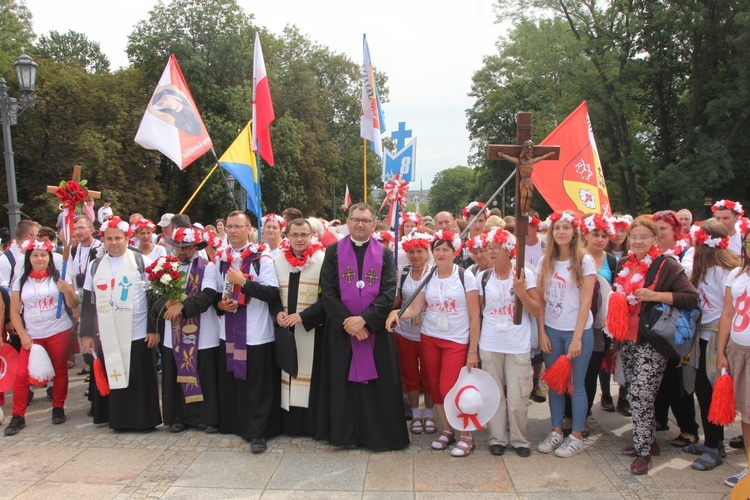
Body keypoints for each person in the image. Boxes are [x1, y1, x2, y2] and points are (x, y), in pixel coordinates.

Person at [607, 215, 698, 475]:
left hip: (652, 341)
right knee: (635, 392)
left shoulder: (666, 264)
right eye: (633, 236)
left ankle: (643, 453)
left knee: (642, 394)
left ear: (655, 239)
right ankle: (646, 442)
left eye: (644, 236)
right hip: (627, 338)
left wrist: (655, 295)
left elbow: (690, 297)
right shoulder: (625, 263)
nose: (637, 241)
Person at [318, 203, 409, 451]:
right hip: (342, 331)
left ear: (373, 224)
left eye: (366, 221)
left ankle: (376, 436)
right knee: (343, 385)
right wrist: (350, 322)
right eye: (356, 220)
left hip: (375, 331)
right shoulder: (334, 252)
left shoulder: (385, 254)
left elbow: (389, 292)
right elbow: (328, 292)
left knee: (376, 387)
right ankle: (345, 435)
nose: (360, 224)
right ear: (348, 222)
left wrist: (365, 320)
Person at [387, 229, 480, 456]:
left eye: (445, 250)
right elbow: (416, 308)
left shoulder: (464, 276)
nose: (440, 253)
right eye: (437, 249)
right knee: (435, 386)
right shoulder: (429, 276)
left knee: (449, 386)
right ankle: (447, 430)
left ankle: (466, 435)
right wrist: (397, 313)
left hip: (456, 340)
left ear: (454, 251)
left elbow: (475, 315)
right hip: (430, 338)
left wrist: (472, 350)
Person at [80, 217, 162, 431]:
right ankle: (118, 420)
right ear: (103, 241)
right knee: (116, 375)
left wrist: (153, 329)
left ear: (127, 238)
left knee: (138, 376)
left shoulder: (140, 261)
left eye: (118, 238)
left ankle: (142, 420)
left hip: (137, 330)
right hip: (108, 333)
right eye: (109, 239)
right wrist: (86, 334)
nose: (114, 242)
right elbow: (89, 302)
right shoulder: (95, 265)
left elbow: (153, 296)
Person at [214, 210, 280, 453]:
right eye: (229, 226)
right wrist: (220, 305)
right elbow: (213, 292)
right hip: (228, 331)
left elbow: (272, 293)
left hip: (256, 333)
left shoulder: (262, 257)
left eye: (238, 226)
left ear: (249, 228)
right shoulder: (220, 257)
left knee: (257, 385)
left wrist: (243, 282)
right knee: (235, 380)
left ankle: (259, 431)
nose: (232, 231)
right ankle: (237, 424)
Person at [536, 211, 595, 458]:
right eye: (557, 228)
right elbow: (539, 300)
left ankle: (577, 435)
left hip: (577, 331)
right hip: (551, 330)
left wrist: (578, 337)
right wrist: (541, 333)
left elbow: (586, 301)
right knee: (555, 385)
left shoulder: (585, 260)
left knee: (576, 385)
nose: (561, 232)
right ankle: (556, 430)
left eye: (566, 228)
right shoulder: (545, 261)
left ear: (574, 232)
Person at [681, 220, 740, 471]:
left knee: (710, 390)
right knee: (703, 389)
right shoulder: (705, 268)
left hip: (717, 336)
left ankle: (715, 446)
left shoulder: (724, 271)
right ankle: (712, 441)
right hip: (703, 334)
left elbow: (727, 310)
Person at [4, 239, 78, 436]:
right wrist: (22, 334)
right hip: (32, 334)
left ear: (49, 257)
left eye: (43, 254)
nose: (40, 258)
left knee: (59, 370)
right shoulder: (20, 279)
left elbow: (73, 304)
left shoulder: (60, 276)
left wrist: (67, 290)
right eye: (35, 255)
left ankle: (58, 407)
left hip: (58, 330)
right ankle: (18, 415)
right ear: (29, 257)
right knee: (21, 375)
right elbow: (14, 310)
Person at [479, 227, 541, 457]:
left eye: (497, 247)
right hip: (490, 343)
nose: (492, 252)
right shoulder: (483, 276)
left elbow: (537, 309)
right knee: (494, 394)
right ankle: (497, 438)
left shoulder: (525, 274)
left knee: (518, 397)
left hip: (517, 344)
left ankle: (519, 439)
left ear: (509, 250)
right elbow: (478, 311)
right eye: (490, 247)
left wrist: (521, 292)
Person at [156, 224, 221, 434]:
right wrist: (166, 305)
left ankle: (207, 417)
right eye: (179, 247)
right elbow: (153, 296)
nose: (183, 251)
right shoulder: (166, 266)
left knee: (204, 374)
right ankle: (179, 417)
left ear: (196, 247)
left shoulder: (208, 267)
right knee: (176, 375)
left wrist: (182, 307)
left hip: (202, 333)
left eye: (187, 247)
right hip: (173, 333)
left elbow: (208, 295)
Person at [269, 218, 326, 435]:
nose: (300, 239)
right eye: (295, 235)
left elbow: (329, 297)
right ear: (288, 237)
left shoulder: (323, 260)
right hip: (285, 329)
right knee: (286, 374)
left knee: (309, 374)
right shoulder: (278, 260)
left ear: (312, 236)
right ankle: (287, 425)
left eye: (304, 235)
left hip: (311, 328)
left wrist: (304, 317)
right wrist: (278, 313)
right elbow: (273, 293)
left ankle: (310, 425)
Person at [563, 214, 616, 433]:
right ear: (585, 234)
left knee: (590, 372)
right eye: (596, 234)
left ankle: (583, 417)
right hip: (571, 323)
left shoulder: (611, 260)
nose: (600, 239)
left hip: (597, 327)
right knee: (569, 371)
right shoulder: (575, 257)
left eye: (604, 235)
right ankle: (568, 415)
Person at [651, 210, 700, 448]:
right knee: (656, 376)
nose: (658, 234)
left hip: (674, 324)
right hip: (652, 324)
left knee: (675, 378)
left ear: (676, 231)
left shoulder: (686, 253)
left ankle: (689, 429)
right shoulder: (649, 253)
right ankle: (660, 419)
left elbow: (687, 286)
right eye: (655, 229)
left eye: (663, 229)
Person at [716, 225, 750, 488]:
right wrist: (721, 352)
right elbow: (727, 314)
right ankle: (749, 468)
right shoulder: (737, 274)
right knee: (747, 416)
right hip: (738, 351)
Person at [393, 230, 435, 435]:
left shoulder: (434, 272)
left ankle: (429, 413)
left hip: (429, 332)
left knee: (428, 374)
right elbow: (398, 299)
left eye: (419, 251)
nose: (415, 256)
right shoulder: (403, 272)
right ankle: (416, 414)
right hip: (406, 331)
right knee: (409, 373)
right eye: (411, 252)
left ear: (427, 252)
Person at [456, 202, 489, 269]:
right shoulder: (459, 242)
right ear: (467, 221)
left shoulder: (490, 241)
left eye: (481, 221)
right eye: (474, 221)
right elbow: (455, 268)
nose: (477, 225)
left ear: (485, 221)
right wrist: (471, 259)